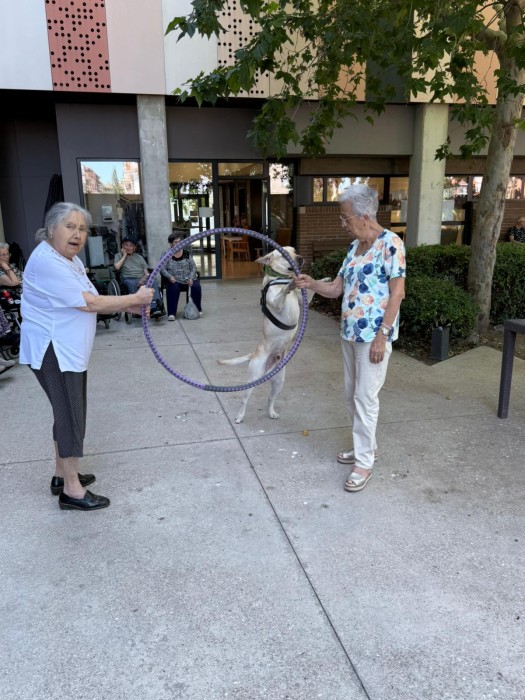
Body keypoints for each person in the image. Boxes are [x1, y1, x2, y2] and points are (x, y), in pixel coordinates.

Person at [19, 202, 154, 511]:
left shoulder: (69, 260)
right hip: (55, 350)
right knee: (71, 416)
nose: (77, 234)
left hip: (66, 350)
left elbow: (91, 298)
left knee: (64, 412)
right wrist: (134, 297)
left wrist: (129, 306)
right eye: (70, 227)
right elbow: (89, 303)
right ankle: (72, 490)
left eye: (82, 228)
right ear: (51, 229)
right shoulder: (48, 262)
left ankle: (61, 475)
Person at [294, 185, 406, 493]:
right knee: (351, 395)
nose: (342, 224)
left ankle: (364, 462)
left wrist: (383, 336)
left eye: (345, 218)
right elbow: (335, 288)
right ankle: (364, 447)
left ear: (365, 215)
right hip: (349, 334)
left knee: (365, 398)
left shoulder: (391, 244)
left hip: (373, 337)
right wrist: (311, 283)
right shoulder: (354, 248)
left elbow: (398, 293)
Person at [114, 237, 163, 318]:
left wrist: (143, 279)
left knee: (153, 282)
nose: (129, 247)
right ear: (122, 246)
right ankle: (138, 307)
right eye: (126, 245)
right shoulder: (118, 255)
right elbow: (117, 267)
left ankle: (154, 307)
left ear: (134, 247)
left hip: (142, 278)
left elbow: (146, 272)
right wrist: (124, 255)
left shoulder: (139, 257)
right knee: (132, 284)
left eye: (131, 245)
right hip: (128, 278)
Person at [160, 233, 203, 320]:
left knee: (196, 286)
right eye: (176, 242)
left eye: (180, 242)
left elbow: (193, 267)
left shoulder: (186, 253)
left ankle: (197, 309)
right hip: (174, 280)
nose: (178, 244)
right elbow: (162, 268)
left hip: (187, 279)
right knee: (173, 288)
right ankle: (172, 313)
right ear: (170, 243)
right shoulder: (166, 254)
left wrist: (191, 277)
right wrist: (169, 277)